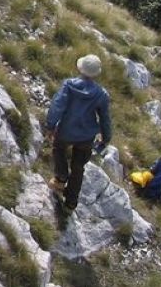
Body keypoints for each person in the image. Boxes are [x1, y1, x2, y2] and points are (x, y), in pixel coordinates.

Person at [45, 54, 113, 213]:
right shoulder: (101, 94)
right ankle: (71, 203)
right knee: (78, 168)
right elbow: (105, 118)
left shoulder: (69, 85)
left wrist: (50, 125)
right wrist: (106, 137)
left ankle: (60, 178)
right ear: (96, 73)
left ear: (81, 69)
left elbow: (57, 106)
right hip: (86, 136)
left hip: (66, 130)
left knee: (59, 149)